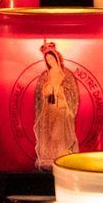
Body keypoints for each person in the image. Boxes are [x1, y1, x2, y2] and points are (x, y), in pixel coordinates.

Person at [31, 40, 81, 169]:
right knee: (49, 133)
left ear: (56, 58)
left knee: (58, 133)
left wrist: (60, 91)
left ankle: (61, 155)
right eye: (47, 60)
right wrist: (46, 90)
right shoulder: (45, 75)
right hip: (48, 108)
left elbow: (71, 93)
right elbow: (39, 94)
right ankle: (48, 157)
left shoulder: (66, 75)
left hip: (61, 107)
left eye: (51, 58)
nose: (50, 61)